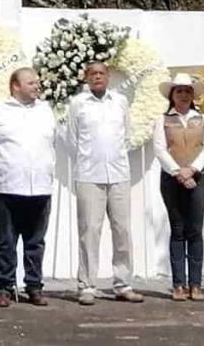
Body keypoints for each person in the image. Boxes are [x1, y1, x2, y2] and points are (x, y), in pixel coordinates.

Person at [0, 68, 56, 308]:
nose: (37, 86)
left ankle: (34, 286)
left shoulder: (46, 110)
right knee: (6, 240)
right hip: (7, 186)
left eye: (37, 82)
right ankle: (4, 287)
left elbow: (53, 141)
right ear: (15, 86)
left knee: (35, 242)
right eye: (31, 83)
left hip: (39, 187)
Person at [66, 62, 145, 306]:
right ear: (86, 77)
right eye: (93, 74)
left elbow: (127, 134)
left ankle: (123, 284)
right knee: (89, 231)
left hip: (119, 174)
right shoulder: (77, 104)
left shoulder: (119, 101)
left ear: (108, 76)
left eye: (101, 73)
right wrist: (88, 160)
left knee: (122, 230)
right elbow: (71, 140)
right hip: (89, 175)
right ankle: (87, 285)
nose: (98, 77)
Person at [151, 73, 204, 302]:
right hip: (172, 180)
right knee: (178, 230)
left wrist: (193, 170)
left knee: (195, 231)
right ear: (172, 95)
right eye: (179, 91)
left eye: (188, 91)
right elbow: (160, 149)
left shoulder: (203, 119)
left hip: (199, 178)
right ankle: (178, 284)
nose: (184, 95)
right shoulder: (163, 120)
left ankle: (196, 284)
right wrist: (179, 172)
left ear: (193, 95)